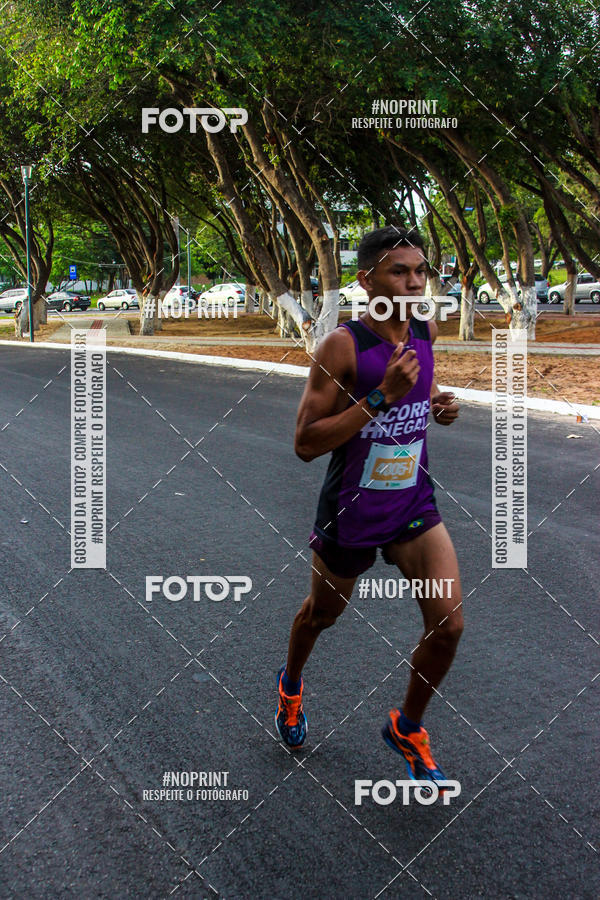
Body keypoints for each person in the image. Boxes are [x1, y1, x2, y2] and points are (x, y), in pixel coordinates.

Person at [275, 226, 463, 788]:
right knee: (321, 615)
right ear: (367, 280)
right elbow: (306, 443)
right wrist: (379, 395)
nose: (412, 282)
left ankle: (407, 727)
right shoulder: (342, 346)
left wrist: (436, 405)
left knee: (448, 626)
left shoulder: (425, 330)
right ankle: (290, 686)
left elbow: (418, 393)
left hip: (412, 504)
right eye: (398, 271)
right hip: (351, 512)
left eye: (419, 271)